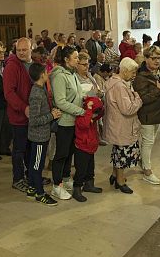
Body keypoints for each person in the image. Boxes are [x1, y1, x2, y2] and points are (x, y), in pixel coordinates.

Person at [133, 46, 160, 185]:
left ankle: (143, 162)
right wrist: (159, 89)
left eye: (159, 57)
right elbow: (143, 99)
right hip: (147, 113)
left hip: (159, 112)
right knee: (148, 142)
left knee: (150, 140)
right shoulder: (140, 76)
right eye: (154, 58)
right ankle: (147, 171)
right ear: (146, 58)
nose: (157, 61)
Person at [103, 58, 143, 194]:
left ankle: (114, 175)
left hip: (116, 124)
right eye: (132, 72)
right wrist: (138, 98)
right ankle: (120, 182)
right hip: (122, 126)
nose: (134, 75)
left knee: (117, 151)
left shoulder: (112, 81)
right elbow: (128, 109)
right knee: (123, 154)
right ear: (124, 70)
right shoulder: (120, 86)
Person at [50, 46, 85, 200]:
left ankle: (65, 178)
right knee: (61, 154)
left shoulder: (73, 73)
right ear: (66, 59)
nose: (78, 60)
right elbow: (61, 102)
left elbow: (77, 93)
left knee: (70, 152)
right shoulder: (59, 76)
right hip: (64, 121)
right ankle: (56, 186)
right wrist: (81, 111)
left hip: (73, 121)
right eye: (76, 57)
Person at [26, 63, 61, 206]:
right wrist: (51, 116)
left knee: (36, 162)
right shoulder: (36, 94)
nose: (48, 74)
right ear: (42, 75)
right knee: (37, 165)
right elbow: (33, 120)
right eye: (46, 72)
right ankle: (40, 193)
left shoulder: (41, 89)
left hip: (43, 134)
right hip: (38, 136)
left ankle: (31, 188)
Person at [3, 37, 34, 193]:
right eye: (18, 50)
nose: (21, 53)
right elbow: (9, 93)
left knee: (30, 148)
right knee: (19, 150)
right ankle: (18, 179)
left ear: (31, 49)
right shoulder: (12, 66)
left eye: (24, 50)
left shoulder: (33, 64)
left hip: (32, 115)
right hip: (19, 116)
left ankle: (31, 176)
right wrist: (24, 108)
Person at [73, 96, 104, 202]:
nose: (96, 114)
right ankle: (77, 189)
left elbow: (101, 114)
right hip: (81, 148)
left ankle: (89, 185)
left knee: (90, 169)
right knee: (80, 171)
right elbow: (84, 125)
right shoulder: (82, 117)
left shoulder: (93, 117)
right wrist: (89, 109)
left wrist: (100, 104)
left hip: (90, 147)